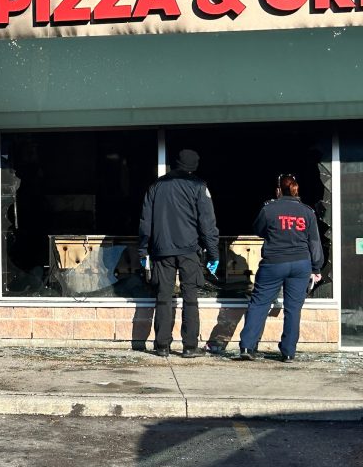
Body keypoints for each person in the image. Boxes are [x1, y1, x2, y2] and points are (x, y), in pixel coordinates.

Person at [138, 149, 219, 358]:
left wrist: (142, 250)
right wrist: (213, 254)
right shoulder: (199, 186)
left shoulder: (156, 185)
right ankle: (190, 346)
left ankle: (162, 345)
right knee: (190, 297)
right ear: (194, 165)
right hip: (189, 250)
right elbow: (207, 223)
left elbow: (145, 222)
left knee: (163, 296)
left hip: (161, 250)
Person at [236, 174, 324, 362]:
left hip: (273, 263)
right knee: (293, 308)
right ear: (296, 189)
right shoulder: (307, 212)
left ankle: (247, 346)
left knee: (259, 303)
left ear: (278, 190)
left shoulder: (269, 209)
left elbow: (258, 230)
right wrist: (316, 267)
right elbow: (314, 242)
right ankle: (288, 352)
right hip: (301, 264)